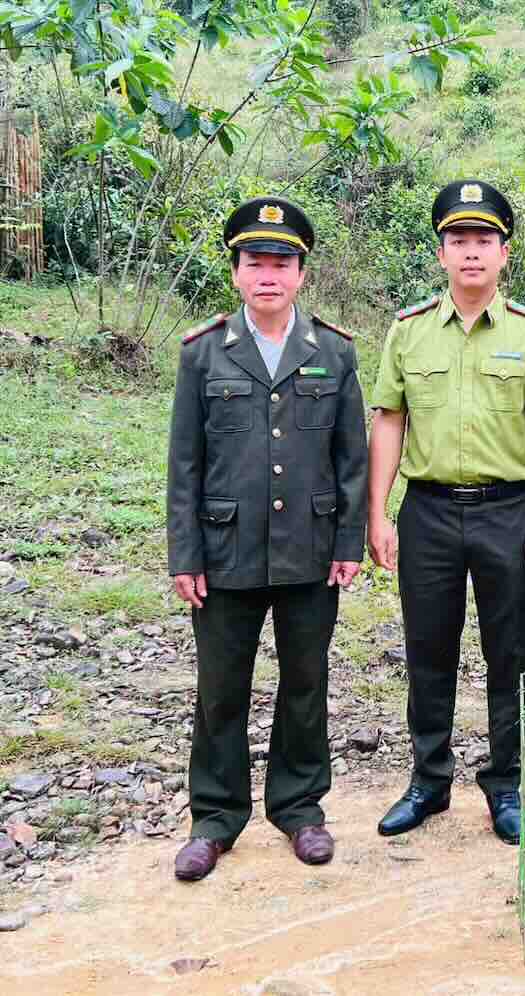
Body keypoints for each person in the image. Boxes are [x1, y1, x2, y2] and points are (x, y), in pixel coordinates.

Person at [166, 197, 368, 881]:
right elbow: (184, 465)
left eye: (282, 262)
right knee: (221, 688)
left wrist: (349, 542)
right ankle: (215, 818)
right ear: (237, 273)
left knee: (305, 682)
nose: (269, 275)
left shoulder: (334, 351)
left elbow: (352, 461)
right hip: (224, 553)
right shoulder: (203, 353)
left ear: (302, 274)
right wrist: (185, 554)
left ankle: (300, 808)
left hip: (310, 549)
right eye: (256, 262)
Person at [368, 180, 525, 844]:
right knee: (428, 650)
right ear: (441, 253)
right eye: (459, 240)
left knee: (510, 654)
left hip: (509, 512)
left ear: (505, 253)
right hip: (426, 512)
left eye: (485, 240)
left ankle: (505, 786)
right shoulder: (409, 331)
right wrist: (378, 512)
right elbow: (389, 421)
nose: (472, 253)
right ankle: (428, 780)